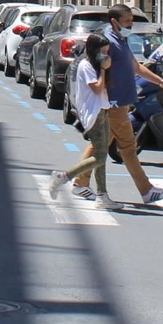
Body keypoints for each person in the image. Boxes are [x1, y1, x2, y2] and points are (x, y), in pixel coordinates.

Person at [101, 3, 163, 205]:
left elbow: (137, 68)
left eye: (131, 21)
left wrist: (162, 82)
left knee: (99, 147)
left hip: (122, 101)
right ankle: (146, 190)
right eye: (127, 21)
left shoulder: (121, 40)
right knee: (127, 147)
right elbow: (99, 70)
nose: (131, 24)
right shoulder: (108, 42)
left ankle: (77, 181)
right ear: (114, 22)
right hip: (114, 102)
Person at [48, 33, 117, 209]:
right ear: (94, 51)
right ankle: (64, 177)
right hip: (93, 113)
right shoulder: (86, 65)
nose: (105, 55)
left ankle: (102, 195)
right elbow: (97, 88)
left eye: (107, 52)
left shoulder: (94, 65)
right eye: (102, 51)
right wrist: (103, 69)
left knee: (102, 154)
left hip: (103, 109)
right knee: (100, 156)